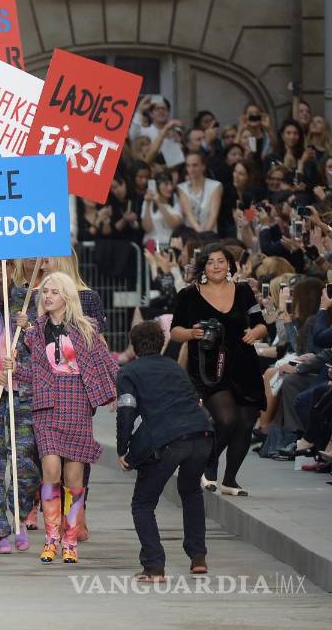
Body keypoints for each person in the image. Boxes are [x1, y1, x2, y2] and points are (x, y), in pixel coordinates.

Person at [12, 271, 118, 565]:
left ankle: (70, 540)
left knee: (74, 481)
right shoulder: (34, 333)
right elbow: (34, 374)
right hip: (46, 407)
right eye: (45, 291)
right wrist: (12, 371)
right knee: (50, 472)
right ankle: (51, 539)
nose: (47, 297)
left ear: (67, 296)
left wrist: (123, 391)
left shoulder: (87, 329)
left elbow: (106, 362)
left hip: (78, 406)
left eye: (54, 292)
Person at [117, 321, 215, 581]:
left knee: (143, 503)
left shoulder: (129, 372)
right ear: (161, 343)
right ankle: (198, 558)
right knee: (191, 491)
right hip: (203, 433)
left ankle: (154, 566)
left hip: (170, 440)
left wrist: (123, 449)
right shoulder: (173, 366)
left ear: (134, 345)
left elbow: (127, 413)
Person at [169, 244, 267, 496]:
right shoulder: (188, 295)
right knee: (226, 419)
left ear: (229, 265)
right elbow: (175, 332)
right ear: (203, 266)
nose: (216, 266)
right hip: (208, 367)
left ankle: (230, 480)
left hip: (244, 364)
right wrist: (192, 333)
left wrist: (256, 332)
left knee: (245, 424)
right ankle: (209, 465)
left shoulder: (244, 290)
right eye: (211, 262)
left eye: (221, 261)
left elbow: (261, 325)